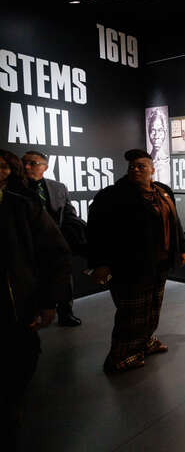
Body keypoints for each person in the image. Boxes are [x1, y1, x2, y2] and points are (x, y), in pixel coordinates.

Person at [88, 149, 185, 373]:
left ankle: (145, 342)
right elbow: (96, 232)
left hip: (159, 264)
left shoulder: (163, 192)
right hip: (129, 266)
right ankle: (119, 357)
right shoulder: (112, 196)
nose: (135, 169)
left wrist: (181, 249)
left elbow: (175, 222)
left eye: (141, 166)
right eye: (132, 166)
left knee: (153, 307)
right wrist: (101, 264)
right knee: (130, 313)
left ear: (152, 170)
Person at [1, 149, 71, 450]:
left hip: (18, 302)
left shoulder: (22, 206)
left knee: (20, 360)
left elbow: (54, 253)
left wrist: (47, 301)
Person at [21, 150, 85, 327]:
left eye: (32, 163)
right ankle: (31, 317)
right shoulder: (15, 188)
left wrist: (77, 233)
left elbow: (69, 213)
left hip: (56, 243)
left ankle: (66, 313)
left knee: (64, 279)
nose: (26, 166)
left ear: (45, 167)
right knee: (32, 282)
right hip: (29, 245)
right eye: (24, 162)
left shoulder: (58, 187)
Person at [147, 108, 171, 185]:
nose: (156, 136)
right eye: (153, 130)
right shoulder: (145, 164)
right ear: (148, 132)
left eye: (160, 130)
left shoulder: (169, 162)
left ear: (165, 131)